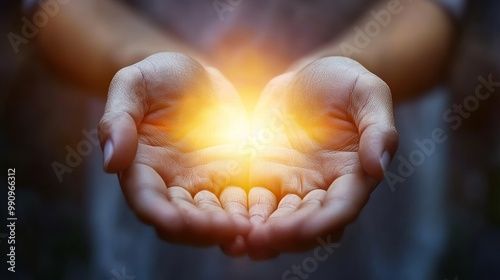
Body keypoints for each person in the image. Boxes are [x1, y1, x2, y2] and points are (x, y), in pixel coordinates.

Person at [31, 0, 464, 278]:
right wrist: (138, 63)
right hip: (163, 145)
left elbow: (431, 9)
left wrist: (355, 64)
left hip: (343, 155)